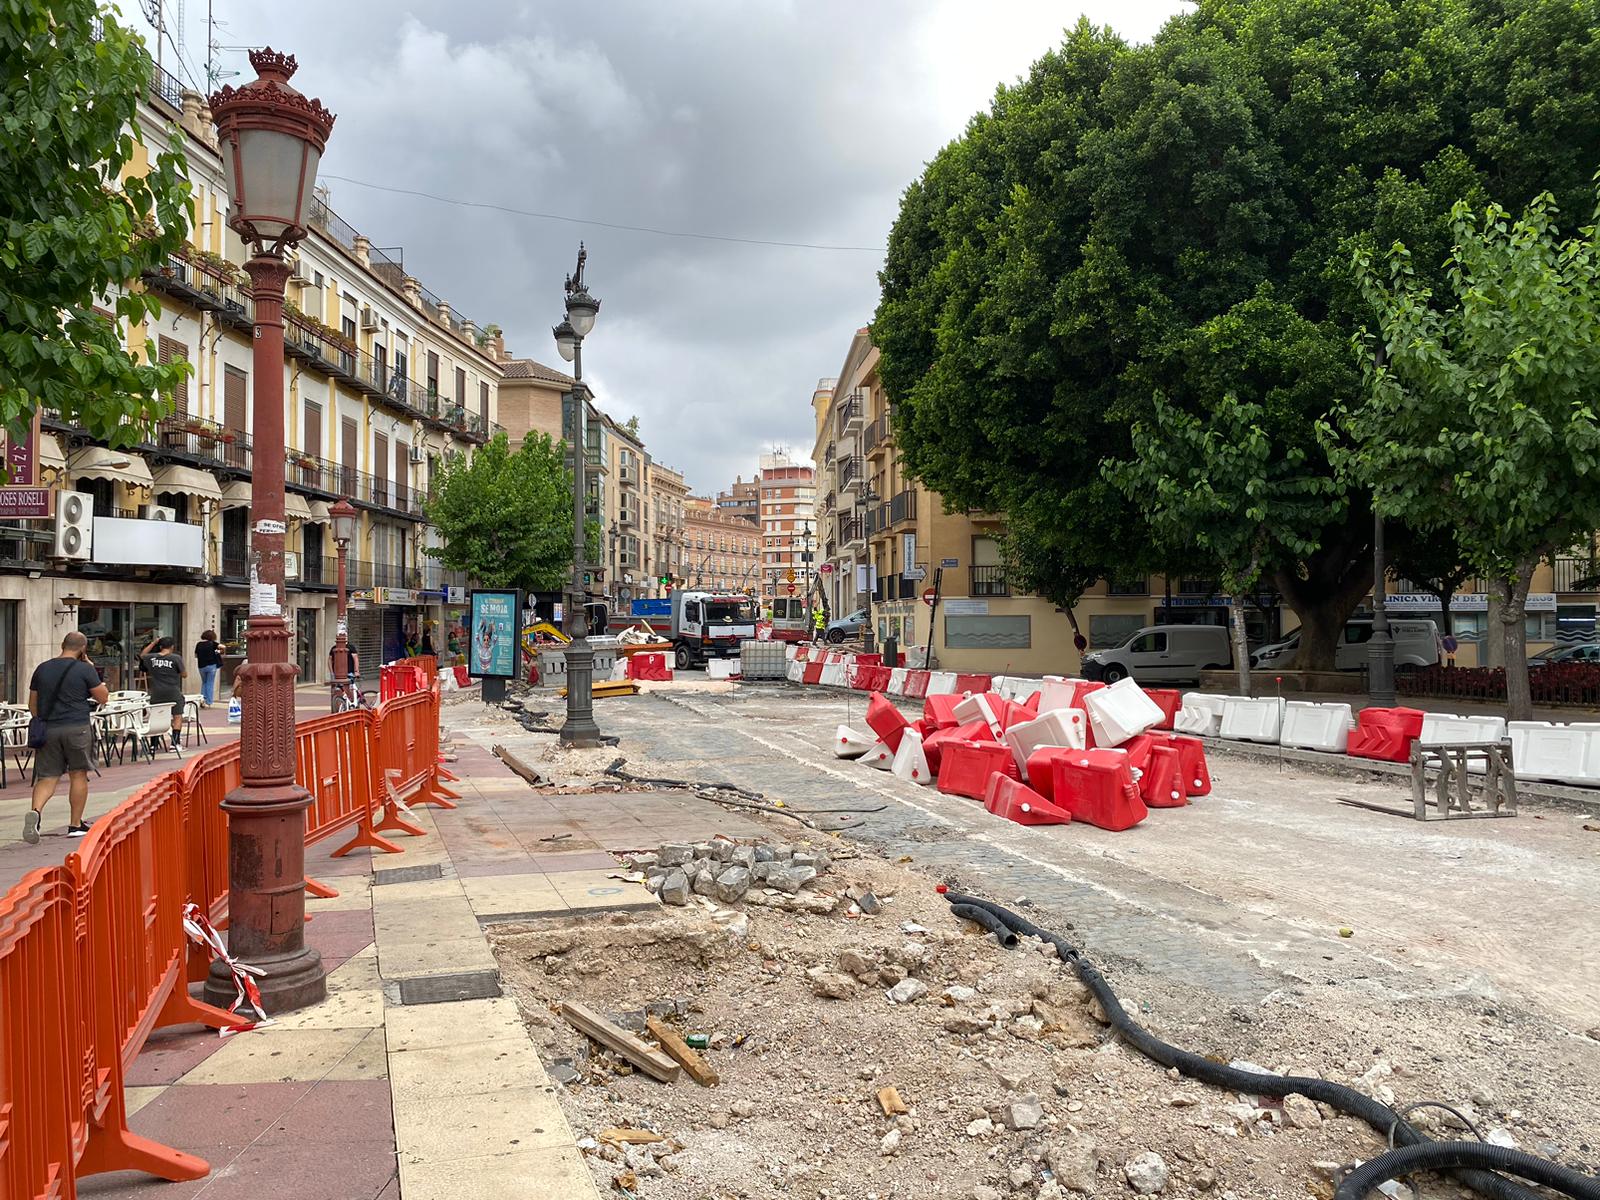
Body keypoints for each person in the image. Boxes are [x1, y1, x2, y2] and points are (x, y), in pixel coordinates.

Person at [23, 631, 109, 842]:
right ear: (83, 648)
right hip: (77, 727)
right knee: (78, 774)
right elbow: (103, 698)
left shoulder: (42, 668)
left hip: (49, 729)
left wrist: (43, 719)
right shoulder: (84, 669)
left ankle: (36, 812)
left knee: (47, 777)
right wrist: (91, 668)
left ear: (62, 645)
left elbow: (32, 704)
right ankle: (75, 824)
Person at [138, 635, 187, 751]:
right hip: (173, 691)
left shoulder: (151, 658)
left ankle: (153, 745)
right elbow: (184, 674)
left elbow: (142, 655)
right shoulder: (176, 658)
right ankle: (175, 743)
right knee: (177, 716)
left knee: (156, 716)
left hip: (156, 692)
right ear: (172, 647)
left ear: (160, 646)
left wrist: (153, 643)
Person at [194, 628, 223, 706]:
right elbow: (223, 647)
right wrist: (218, 651)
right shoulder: (212, 643)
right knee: (210, 683)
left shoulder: (199, 644)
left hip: (201, 666)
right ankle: (209, 702)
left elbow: (196, 655)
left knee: (204, 682)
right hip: (211, 665)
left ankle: (202, 700)